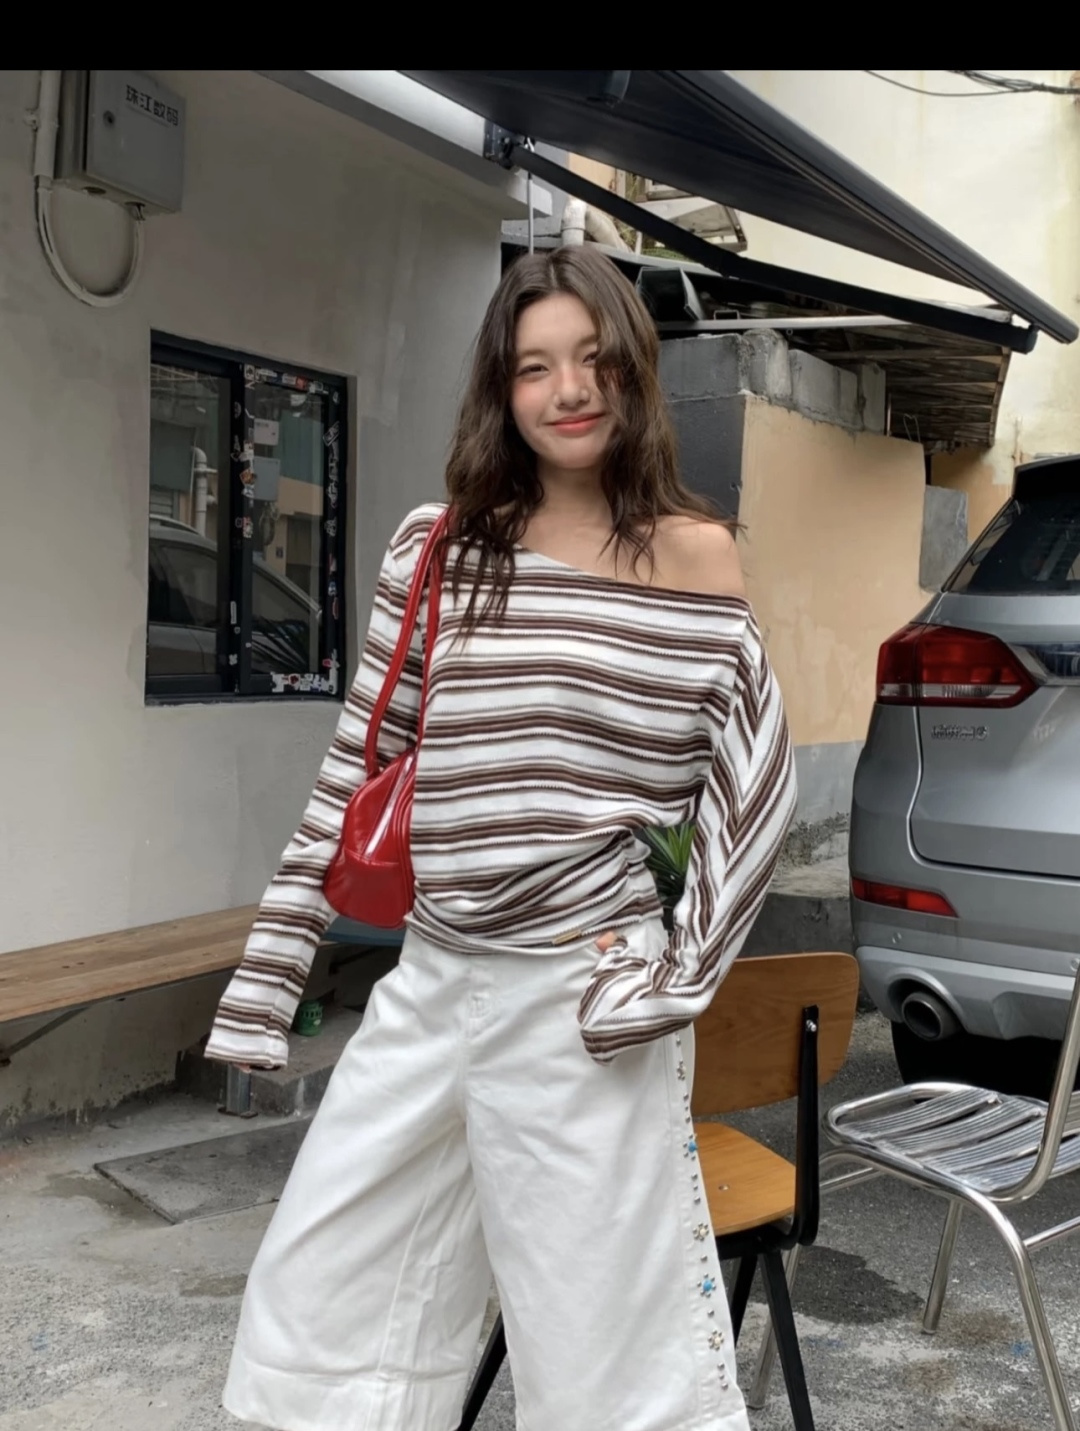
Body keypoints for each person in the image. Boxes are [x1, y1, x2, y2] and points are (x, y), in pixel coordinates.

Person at [205, 244, 797, 1431]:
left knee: (606, 1364)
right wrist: (270, 975)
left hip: (581, 994)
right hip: (430, 977)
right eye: (535, 367)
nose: (568, 390)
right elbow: (357, 766)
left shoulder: (695, 557)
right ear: (502, 387)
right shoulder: (441, 546)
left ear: (634, 371)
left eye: (594, 359)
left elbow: (756, 782)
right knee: (322, 1307)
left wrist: (675, 979)